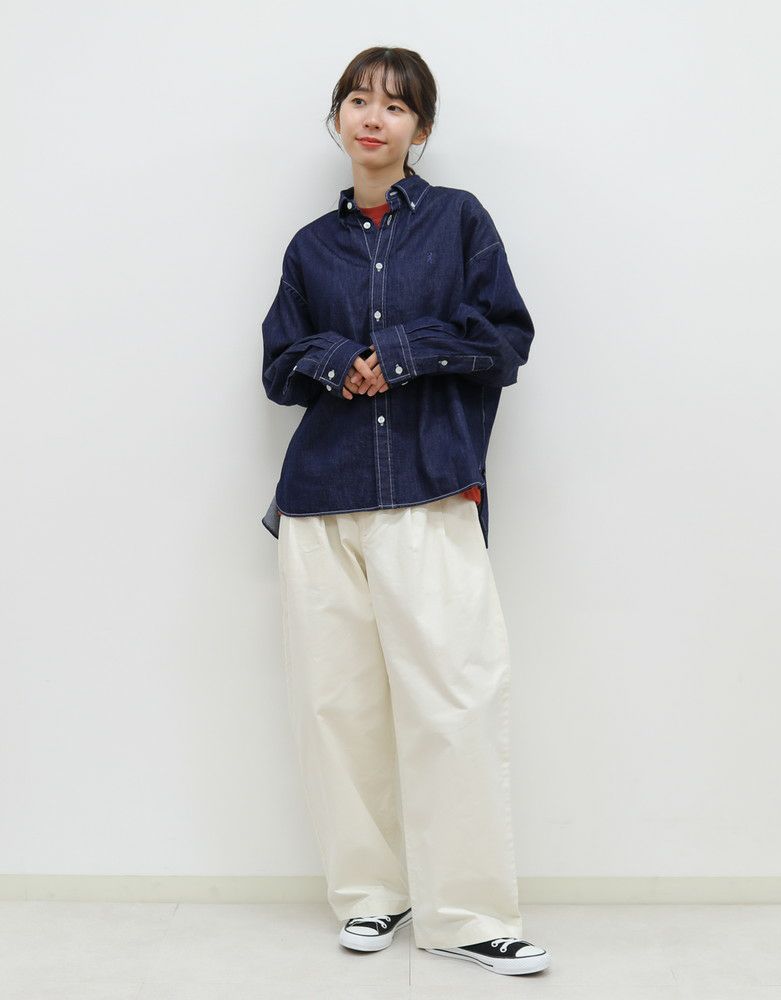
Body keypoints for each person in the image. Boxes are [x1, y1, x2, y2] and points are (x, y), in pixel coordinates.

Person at [260, 46, 549, 978]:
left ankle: (467, 914)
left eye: (393, 104)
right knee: (336, 707)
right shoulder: (311, 247)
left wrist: (402, 351)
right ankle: (370, 896)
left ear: (421, 127)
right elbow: (277, 367)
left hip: (430, 488)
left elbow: (505, 338)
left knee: (455, 699)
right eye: (357, 99)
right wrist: (333, 362)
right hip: (321, 502)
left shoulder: (460, 221)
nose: (372, 116)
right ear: (338, 118)